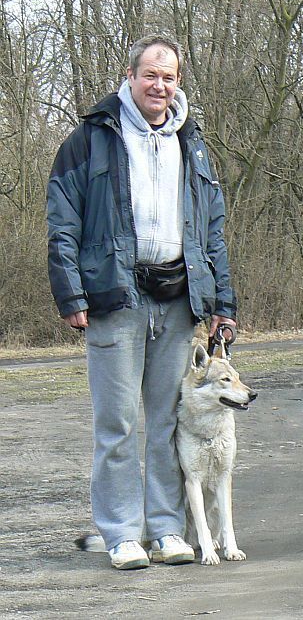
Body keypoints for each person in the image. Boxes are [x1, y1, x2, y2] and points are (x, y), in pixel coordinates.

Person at [47, 33, 238, 570]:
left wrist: (223, 299)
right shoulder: (90, 139)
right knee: (117, 424)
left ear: (179, 82)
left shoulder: (192, 142)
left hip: (178, 299)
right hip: (114, 298)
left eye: (169, 76)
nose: (160, 85)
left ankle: (167, 529)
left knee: (167, 420)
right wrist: (70, 290)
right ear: (130, 77)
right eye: (151, 74)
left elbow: (213, 230)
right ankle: (122, 534)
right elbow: (62, 221)